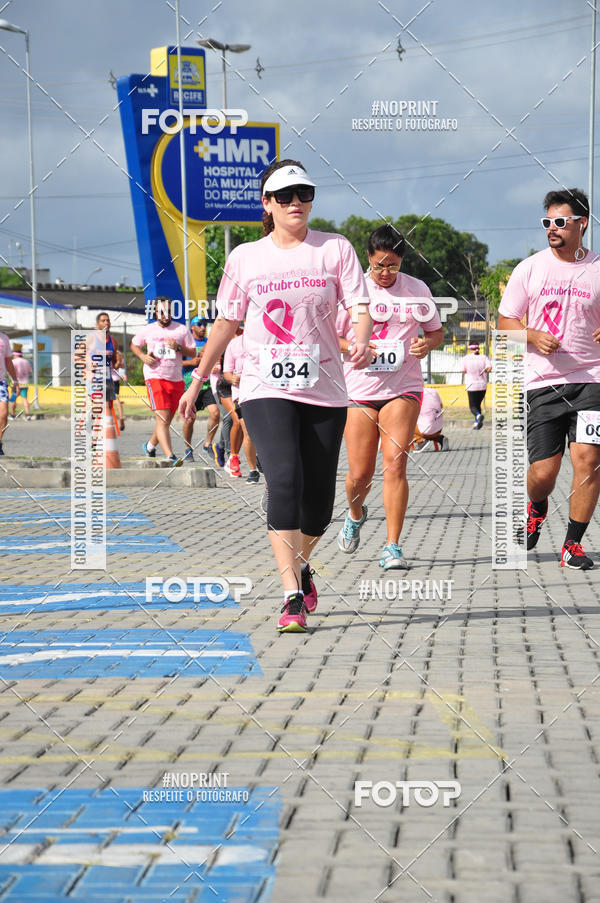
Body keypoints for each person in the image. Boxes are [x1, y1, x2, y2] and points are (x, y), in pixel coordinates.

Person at [179, 159, 373, 632]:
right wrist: (198, 379)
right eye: (284, 196)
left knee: (320, 503)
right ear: (266, 203)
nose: (295, 204)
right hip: (266, 387)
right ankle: (290, 593)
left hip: (325, 388)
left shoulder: (335, 248)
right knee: (283, 478)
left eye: (303, 194)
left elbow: (359, 307)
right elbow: (226, 323)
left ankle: (303, 565)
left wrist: (363, 338)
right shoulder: (246, 257)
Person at [498, 187, 600, 570]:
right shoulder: (531, 268)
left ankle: (572, 544)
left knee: (589, 460)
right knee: (544, 471)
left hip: (592, 380)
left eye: (560, 221)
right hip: (543, 382)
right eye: (547, 222)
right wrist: (531, 335)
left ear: (582, 223)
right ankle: (536, 508)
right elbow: (506, 322)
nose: (552, 229)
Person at [336, 223, 444, 569]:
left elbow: (436, 333)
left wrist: (425, 344)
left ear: (402, 261)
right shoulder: (353, 290)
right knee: (358, 475)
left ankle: (392, 546)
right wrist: (356, 346)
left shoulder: (417, 289)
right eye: (379, 265)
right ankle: (355, 514)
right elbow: (331, 336)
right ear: (368, 258)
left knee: (395, 464)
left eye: (393, 265)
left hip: (404, 388)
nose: (385, 272)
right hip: (360, 390)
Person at [131, 297, 195, 467]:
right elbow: (134, 344)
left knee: (166, 421)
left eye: (168, 311)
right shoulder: (148, 329)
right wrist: (142, 356)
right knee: (162, 418)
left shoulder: (181, 330)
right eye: (161, 311)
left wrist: (179, 348)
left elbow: (194, 352)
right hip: (155, 376)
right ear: (155, 313)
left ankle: (150, 446)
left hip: (176, 379)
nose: (165, 314)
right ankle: (170, 456)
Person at [222, 329, 260, 482]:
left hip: (263, 392)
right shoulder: (234, 344)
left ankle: (263, 459)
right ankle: (253, 470)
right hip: (241, 394)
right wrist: (233, 379)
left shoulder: (265, 340)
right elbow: (227, 373)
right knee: (247, 430)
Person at [182, 316, 220, 464]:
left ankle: (207, 444)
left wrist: (215, 366)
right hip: (189, 386)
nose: (203, 327)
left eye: (204, 324)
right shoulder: (187, 343)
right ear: (192, 326)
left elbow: (215, 359)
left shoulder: (209, 342)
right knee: (190, 419)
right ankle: (187, 448)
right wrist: (191, 362)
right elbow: (177, 361)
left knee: (215, 413)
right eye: (199, 324)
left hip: (206, 384)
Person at [461, 343, 491, 428]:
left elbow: (463, 370)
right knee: (478, 405)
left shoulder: (466, 358)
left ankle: (478, 416)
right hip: (482, 385)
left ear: (470, 349)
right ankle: (477, 424)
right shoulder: (484, 357)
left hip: (471, 386)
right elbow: (489, 368)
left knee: (473, 407)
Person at [411, 386, 449, 452]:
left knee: (405, 427)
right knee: (429, 427)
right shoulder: (433, 391)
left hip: (425, 430)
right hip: (439, 428)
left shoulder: (415, 394)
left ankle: (420, 440)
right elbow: (441, 406)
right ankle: (441, 439)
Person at [0, 331, 18, 455]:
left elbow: (8, 361)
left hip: (1, 382)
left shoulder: (4, 338)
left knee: (4, 413)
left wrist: (15, 380)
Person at [9, 350, 32, 419]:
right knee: (24, 399)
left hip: (15, 384)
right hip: (25, 383)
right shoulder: (26, 361)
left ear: (15, 355)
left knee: (13, 399)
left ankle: (12, 415)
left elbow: (11, 372)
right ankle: (28, 415)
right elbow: (29, 372)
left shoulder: (13, 361)